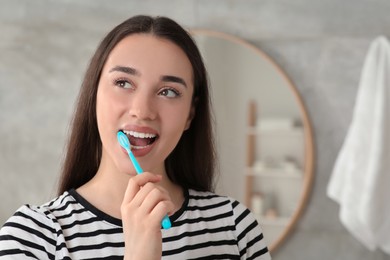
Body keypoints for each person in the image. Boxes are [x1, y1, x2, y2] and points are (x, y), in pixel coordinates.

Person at [0, 15, 271, 259]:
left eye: (168, 91)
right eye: (123, 83)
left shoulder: (235, 227)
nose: (142, 111)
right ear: (93, 95)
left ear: (190, 114)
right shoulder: (32, 238)